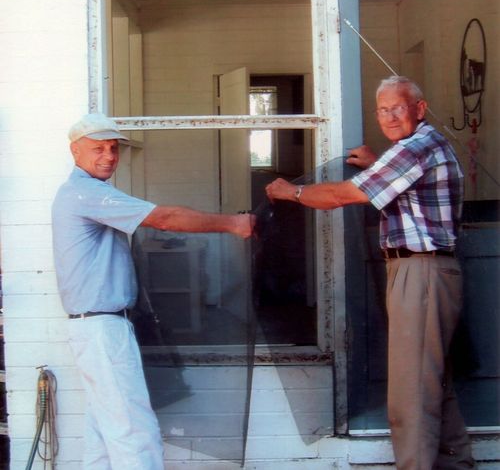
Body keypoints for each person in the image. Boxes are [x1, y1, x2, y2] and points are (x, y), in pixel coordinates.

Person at [265, 76, 475, 469]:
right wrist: (378, 164)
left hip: (422, 273)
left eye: (399, 107)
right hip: (425, 272)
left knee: (411, 392)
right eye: (383, 110)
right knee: (432, 383)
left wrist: (288, 192)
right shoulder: (415, 148)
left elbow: (344, 195)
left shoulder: (413, 148)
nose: (390, 117)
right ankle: (457, 464)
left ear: (419, 108)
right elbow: (407, 191)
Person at [51, 113, 254, 470]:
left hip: (98, 327)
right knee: (135, 433)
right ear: (75, 151)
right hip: (102, 329)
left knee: (103, 433)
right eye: (98, 148)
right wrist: (232, 223)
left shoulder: (88, 193)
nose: (109, 156)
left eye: (114, 148)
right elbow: (164, 218)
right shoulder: (86, 192)